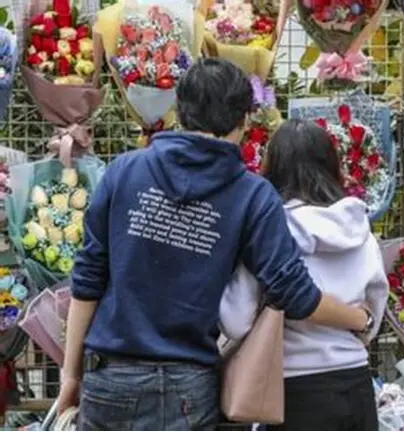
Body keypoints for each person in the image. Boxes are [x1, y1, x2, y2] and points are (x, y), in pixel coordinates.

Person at [57, 58, 373, 431]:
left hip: (111, 377)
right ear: (243, 121)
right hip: (188, 386)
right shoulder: (251, 195)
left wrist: (71, 376)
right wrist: (360, 318)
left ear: (179, 108)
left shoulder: (124, 172)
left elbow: (88, 280)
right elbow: (293, 293)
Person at [220, 119, 387, 431]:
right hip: (356, 382)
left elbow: (235, 319)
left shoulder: (268, 234)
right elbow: (372, 314)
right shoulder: (359, 228)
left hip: (294, 389)